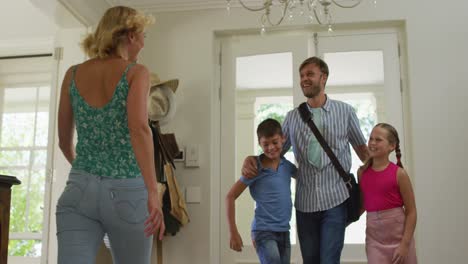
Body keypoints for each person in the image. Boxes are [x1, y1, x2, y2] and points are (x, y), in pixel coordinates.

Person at [56, 6, 165, 264]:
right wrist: (152, 191)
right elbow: (139, 129)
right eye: (143, 36)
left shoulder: (72, 74)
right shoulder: (136, 73)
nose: (143, 43)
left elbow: (63, 142)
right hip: (128, 190)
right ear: (130, 35)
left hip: (78, 190)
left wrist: (87, 172)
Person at [242, 56, 369, 264]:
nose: (304, 79)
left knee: (329, 260)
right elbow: (274, 152)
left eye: (310, 74)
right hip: (305, 204)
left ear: (324, 77)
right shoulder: (293, 117)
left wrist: (384, 176)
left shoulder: (346, 112)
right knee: (310, 260)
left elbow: (363, 153)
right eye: (301, 76)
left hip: (336, 200)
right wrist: (251, 158)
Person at [226, 118, 297, 264]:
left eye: (275, 142)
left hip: (284, 231)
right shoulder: (254, 168)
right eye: (266, 144)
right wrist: (233, 232)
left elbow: (307, 177)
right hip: (263, 231)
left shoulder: (287, 166)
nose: (271, 147)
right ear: (260, 144)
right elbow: (230, 196)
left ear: (283, 139)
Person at [358, 123, 417, 264]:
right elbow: (364, 205)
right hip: (374, 241)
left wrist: (405, 245)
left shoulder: (399, 174)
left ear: (392, 146)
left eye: (378, 140)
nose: (372, 143)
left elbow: (411, 211)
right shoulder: (362, 173)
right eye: (371, 138)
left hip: (400, 239)